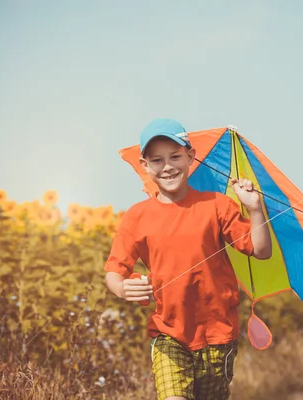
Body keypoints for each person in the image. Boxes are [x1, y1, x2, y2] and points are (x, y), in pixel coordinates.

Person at [104, 118, 272, 400]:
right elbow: (113, 270)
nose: (167, 166)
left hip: (219, 334)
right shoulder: (137, 216)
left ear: (191, 156)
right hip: (168, 333)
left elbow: (261, 250)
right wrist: (121, 288)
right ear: (145, 166)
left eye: (175, 157)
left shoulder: (217, 204)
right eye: (157, 160)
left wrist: (255, 209)